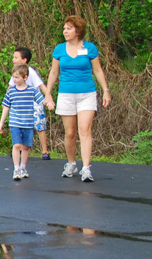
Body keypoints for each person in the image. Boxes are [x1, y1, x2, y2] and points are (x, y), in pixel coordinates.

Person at [43, 15, 111, 182]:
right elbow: (53, 72)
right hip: (66, 94)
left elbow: (98, 70)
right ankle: (71, 163)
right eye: (64, 28)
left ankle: (86, 168)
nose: (65, 31)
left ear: (78, 30)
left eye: (69, 28)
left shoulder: (90, 48)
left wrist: (106, 90)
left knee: (84, 129)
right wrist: (48, 93)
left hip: (86, 93)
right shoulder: (59, 49)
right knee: (70, 133)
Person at [0, 64, 45, 181]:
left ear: (25, 77)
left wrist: (49, 103)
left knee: (26, 147)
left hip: (28, 123)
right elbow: (6, 107)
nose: (14, 80)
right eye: (13, 77)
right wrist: (1, 123)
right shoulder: (11, 92)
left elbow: (42, 100)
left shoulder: (32, 90)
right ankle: (16, 168)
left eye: (17, 77)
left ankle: (23, 167)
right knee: (17, 145)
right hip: (15, 123)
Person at [14, 46, 50, 160]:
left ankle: (45, 151)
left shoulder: (31, 72)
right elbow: (11, 87)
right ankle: (18, 150)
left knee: (40, 127)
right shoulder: (15, 73)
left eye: (16, 57)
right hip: (22, 106)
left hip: (35, 104)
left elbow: (41, 85)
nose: (13, 60)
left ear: (24, 60)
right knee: (20, 127)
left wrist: (48, 97)